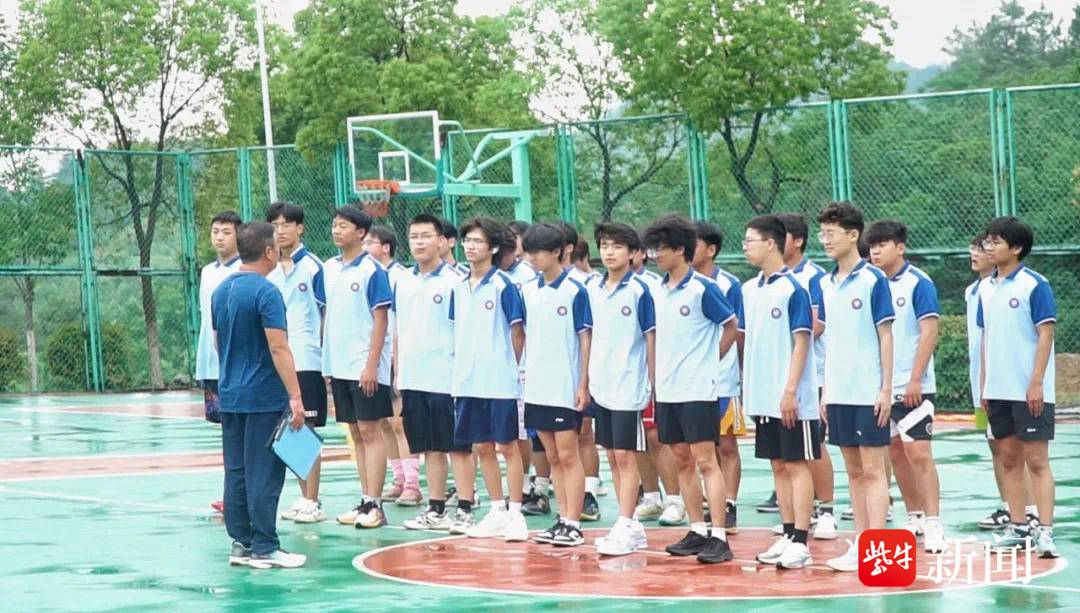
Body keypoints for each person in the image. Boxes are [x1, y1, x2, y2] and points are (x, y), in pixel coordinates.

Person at [644, 214, 738, 564]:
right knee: (681, 460)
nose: (656, 255)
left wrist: (710, 361)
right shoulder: (655, 289)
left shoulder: (703, 288)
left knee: (706, 461)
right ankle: (697, 529)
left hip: (698, 390)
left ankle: (719, 536)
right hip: (667, 391)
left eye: (661, 249)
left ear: (680, 249)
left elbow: (731, 325)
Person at [213, 221, 307, 569]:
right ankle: (265, 545)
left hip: (231, 395)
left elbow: (217, 341)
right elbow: (278, 347)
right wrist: (295, 396)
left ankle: (242, 542)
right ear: (269, 252)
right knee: (264, 472)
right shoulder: (267, 293)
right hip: (264, 397)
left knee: (236, 470)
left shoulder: (220, 291)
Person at [815, 202, 895, 572]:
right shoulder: (824, 283)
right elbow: (831, 341)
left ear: (852, 235)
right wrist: (827, 391)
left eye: (831, 233)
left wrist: (885, 389)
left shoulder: (873, 280)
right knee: (853, 471)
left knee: (873, 469)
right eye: (822, 233)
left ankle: (877, 550)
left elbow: (886, 335)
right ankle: (862, 543)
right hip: (839, 392)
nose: (825, 240)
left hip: (868, 391)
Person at [741, 215, 819, 570]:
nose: (745, 247)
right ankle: (787, 534)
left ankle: (801, 540)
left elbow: (801, 342)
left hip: (791, 398)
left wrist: (790, 391)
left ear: (771, 243)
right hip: (763, 397)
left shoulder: (794, 289)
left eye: (750, 241)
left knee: (796, 464)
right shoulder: (749, 289)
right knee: (778, 464)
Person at [978, 217, 1059, 558]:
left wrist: (1036, 382)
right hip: (998, 391)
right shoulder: (984, 288)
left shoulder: (1034, 285)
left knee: (1037, 461)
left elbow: (1045, 334)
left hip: (1029, 390)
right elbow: (986, 338)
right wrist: (985, 384)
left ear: (1016, 248)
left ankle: (1045, 531)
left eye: (995, 242)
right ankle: (1019, 527)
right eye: (987, 241)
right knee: (1009, 460)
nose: (988, 247)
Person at [864, 220, 946, 553]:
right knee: (895, 453)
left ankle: (934, 522)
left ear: (900, 247)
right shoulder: (870, 283)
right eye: (872, 246)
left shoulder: (918, 282)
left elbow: (929, 332)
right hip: (880, 387)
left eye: (882, 245)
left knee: (919, 453)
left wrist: (915, 378)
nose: (875, 251)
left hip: (913, 386)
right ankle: (914, 517)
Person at [395, 214, 477, 532]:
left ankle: (466, 508)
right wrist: (398, 371)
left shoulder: (457, 281)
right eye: (414, 236)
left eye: (426, 236)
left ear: (442, 241)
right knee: (429, 447)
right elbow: (399, 329)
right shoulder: (403, 280)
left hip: (448, 378)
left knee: (458, 446)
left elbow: (466, 332)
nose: (419, 242)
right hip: (414, 377)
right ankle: (436, 508)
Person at [451, 217, 529, 541]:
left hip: (500, 381)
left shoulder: (504, 286)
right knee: (481, 445)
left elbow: (518, 332)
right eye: (467, 240)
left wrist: (511, 368)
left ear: (493, 248)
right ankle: (496, 510)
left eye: (478, 241)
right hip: (467, 381)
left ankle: (516, 513)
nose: (470, 246)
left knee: (507, 445)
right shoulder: (458, 287)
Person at [520, 223, 594, 547]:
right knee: (551, 457)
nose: (532, 258)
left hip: (565, 386)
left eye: (538, 252)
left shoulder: (576, 290)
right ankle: (562, 519)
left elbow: (585, 338)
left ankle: (574, 523)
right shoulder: (527, 291)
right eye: (529, 252)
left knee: (568, 455)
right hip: (537, 387)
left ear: (557, 252)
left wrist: (583, 383)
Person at [323, 206, 394, 529]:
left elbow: (381, 321)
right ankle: (365, 499)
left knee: (370, 431)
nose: (336, 230)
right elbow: (329, 316)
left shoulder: (372, 271)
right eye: (335, 225)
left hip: (364, 366)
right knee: (355, 432)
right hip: (339, 366)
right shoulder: (329, 268)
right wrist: (327, 363)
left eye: (343, 226)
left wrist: (371, 365)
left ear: (361, 233)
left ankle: (375, 504)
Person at [587, 222, 656, 556]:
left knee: (627, 456)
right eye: (604, 245)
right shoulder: (592, 288)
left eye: (616, 246)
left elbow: (651, 338)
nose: (609, 252)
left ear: (633, 253)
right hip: (601, 385)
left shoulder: (641, 290)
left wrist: (654, 383)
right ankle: (629, 523)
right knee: (613, 456)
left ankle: (627, 522)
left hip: (630, 385)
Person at [770, 212, 837, 540]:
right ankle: (799, 514)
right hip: (780, 376)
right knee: (788, 452)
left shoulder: (815, 277)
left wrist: (791, 335)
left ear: (796, 240)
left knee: (814, 444)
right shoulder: (768, 281)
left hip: (813, 375)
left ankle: (827, 511)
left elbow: (817, 325)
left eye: (778, 236)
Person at [967, 234, 1039, 531]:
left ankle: (1030, 510)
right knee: (996, 446)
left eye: (983, 247)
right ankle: (1009, 505)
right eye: (975, 248)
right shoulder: (975, 291)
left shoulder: (1025, 285)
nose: (976, 253)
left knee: (1019, 450)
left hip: (1014, 385)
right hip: (984, 383)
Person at [265, 202, 329, 524]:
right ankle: (305, 497)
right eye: (275, 226)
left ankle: (312, 500)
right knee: (290, 430)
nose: (280, 231)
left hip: (307, 359)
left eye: (286, 225)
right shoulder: (269, 270)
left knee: (307, 428)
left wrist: (325, 358)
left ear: (300, 228)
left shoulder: (314, 267)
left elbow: (326, 314)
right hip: (279, 360)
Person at [691, 221, 744, 535]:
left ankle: (729, 503)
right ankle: (706, 503)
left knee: (726, 444)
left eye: (694, 243)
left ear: (711, 250)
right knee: (698, 448)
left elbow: (737, 329)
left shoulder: (729, 284)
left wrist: (722, 363)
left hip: (724, 379)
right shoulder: (680, 283)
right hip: (691, 383)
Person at [365, 225, 423, 507]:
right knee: (385, 422)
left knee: (400, 423)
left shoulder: (400, 276)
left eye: (370, 242)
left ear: (386, 247)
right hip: (379, 356)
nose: (365, 247)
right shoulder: (369, 272)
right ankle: (399, 478)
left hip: (397, 355)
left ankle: (413, 483)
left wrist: (398, 358)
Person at [630, 247, 684, 526]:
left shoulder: (651, 286)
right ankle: (651, 497)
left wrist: (653, 373)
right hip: (624, 377)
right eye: (605, 246)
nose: (610, 252)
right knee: (636, 438)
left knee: (656, 436)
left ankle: (674, 500)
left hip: (652, 374)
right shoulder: (600, 287)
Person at [554, 222, 604, 519]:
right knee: (556, 445)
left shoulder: (588, 285)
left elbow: (590, 333)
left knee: (584, 432)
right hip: (553, 378)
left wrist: (585, 378)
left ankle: (589, 492)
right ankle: (563, 503)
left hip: (584, 372)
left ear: (567, 248)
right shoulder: (536, 285)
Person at [497, 240, 550, 516]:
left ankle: (541, 489)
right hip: (511, 369)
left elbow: (520, 330)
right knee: (520, 431)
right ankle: (526, 487)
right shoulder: (522, 287)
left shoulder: (526, 278)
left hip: (534, 368)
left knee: (542, 435)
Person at [195, 210, 242, 513]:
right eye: (215, 231)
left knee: (240, 430)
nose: (220, 237)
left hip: (236, 365)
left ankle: (242, 494)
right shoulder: (207, 272)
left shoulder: (244, 271)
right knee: (226, 431)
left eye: (226, 231)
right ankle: (231, 494)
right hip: (212, 365)